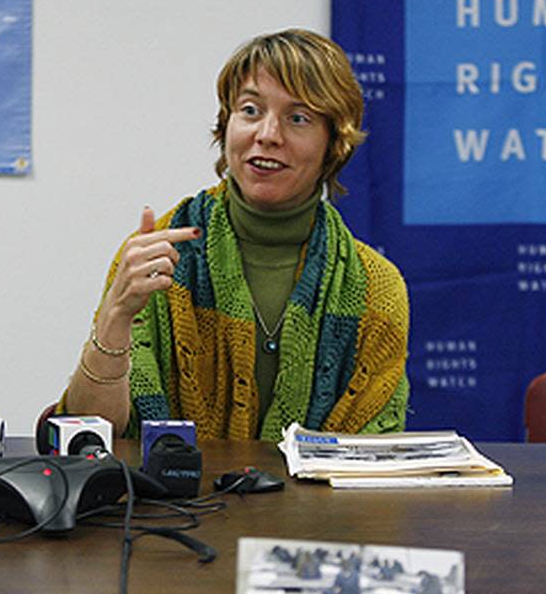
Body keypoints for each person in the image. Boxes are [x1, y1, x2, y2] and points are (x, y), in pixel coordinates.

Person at [58, 28, 409, 441]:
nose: (267, 134)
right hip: (173, 504)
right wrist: (115, 316)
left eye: (298, 118)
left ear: (334, 143)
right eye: (250, 110)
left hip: (319, 508)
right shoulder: (157, 256)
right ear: (226, 125)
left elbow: (374, 465)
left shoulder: (375, 287)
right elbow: (89, 438)